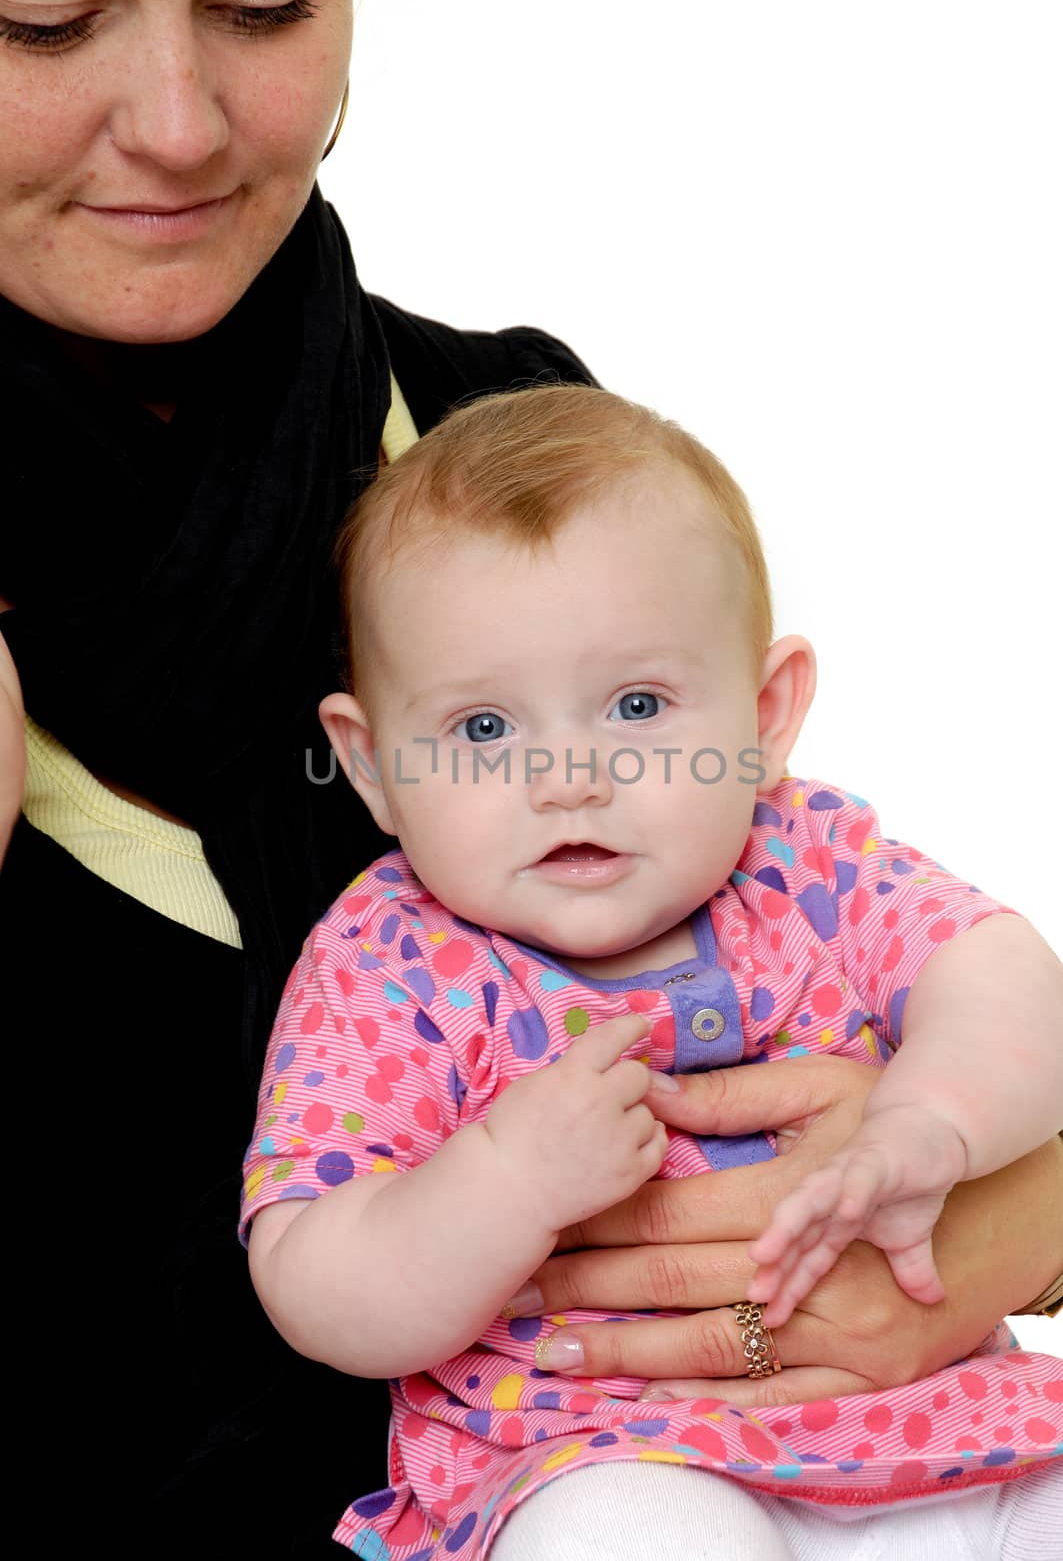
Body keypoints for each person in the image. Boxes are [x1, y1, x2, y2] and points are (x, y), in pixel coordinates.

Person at [0, 0, 1060, 1555]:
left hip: (905, 1450)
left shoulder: (515, 446)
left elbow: (956, 991)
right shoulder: (386, 959)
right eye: (46, 22)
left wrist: (988, 1221)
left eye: (265, 0)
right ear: (362, 756)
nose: (177, 124)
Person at [243, 385, 1063, 1559]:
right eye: (484, 729)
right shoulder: (387, 963)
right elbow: (312, 1273)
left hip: (945, 1429)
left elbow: (1004, 975)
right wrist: (502, 1182)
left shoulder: (811, 858)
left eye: (635, 705)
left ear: (765, 715)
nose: (570, 774)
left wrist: (932, 1120)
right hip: (605, 1459)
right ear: (371, 766)